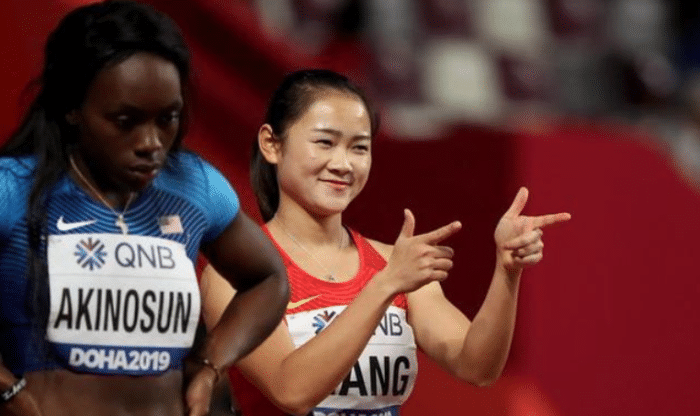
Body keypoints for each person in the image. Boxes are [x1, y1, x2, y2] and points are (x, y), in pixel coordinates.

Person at [200, 69, 571, 416]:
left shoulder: (395, 264)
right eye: (325, 142)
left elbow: (477, 367)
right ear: (271, 144)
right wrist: (385, 285)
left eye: (359, 148)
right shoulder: (236, 274)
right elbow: (291, 390)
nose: (343, 164)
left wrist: (507, 271)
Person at [0, 2, 289, 415]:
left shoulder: (194, 187)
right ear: (71, 108)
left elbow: (269, 279)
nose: (151, 143)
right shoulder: (13, 189)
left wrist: (209, 365)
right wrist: (8, 392)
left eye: (167, 119)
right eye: (125, 121)